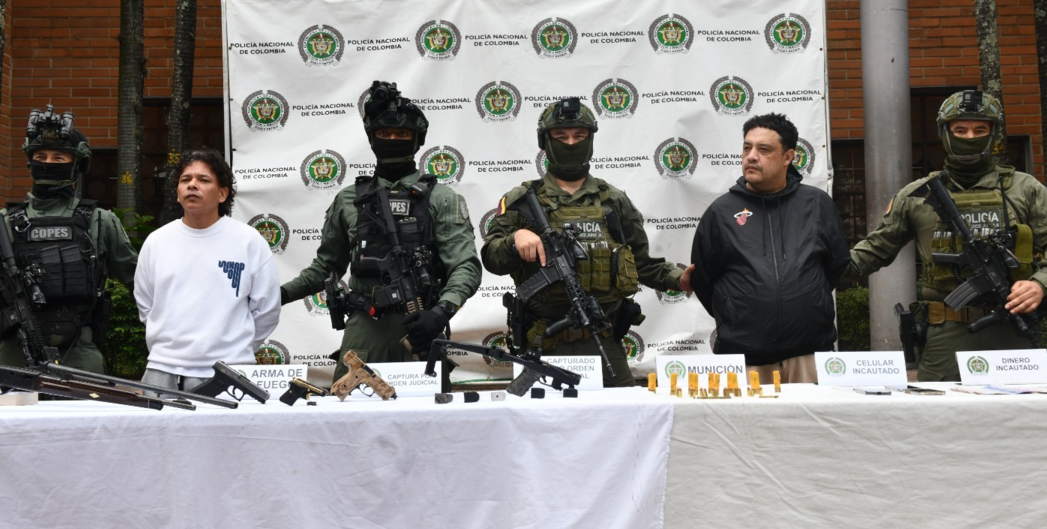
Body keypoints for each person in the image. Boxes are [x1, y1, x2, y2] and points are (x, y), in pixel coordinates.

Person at [846, 90, 1047, 381]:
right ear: (945, 133)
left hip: (1012, 328)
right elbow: (872, 251)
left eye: (980, 130)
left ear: (993, 134)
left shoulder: (1025, 189)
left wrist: (1040, 284)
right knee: (941, 419)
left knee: (1024, 416)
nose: (970, 137)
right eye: (960, 130)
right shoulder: (917, 195)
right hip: (946, 335)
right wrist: (818, 265)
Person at [482, 97, 692, 388]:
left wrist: (679, 279)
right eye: (561, 136)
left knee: (626, 416)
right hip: (544, 341)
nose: (571, 143)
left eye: (579, 136)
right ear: (546, 141)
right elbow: (491, 258)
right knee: (535, 425)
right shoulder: (522, 200)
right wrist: (514, 240)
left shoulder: (613, 200)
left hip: (602, 337)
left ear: (591, 139)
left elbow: (642, 263)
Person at [280, 81, 481, 380]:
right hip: (365, 329)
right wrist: (277, 295)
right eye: (384, 134)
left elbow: (465, 267)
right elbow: (325, 267)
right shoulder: (349, 199)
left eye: (403, 134)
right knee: (348, 415)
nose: (393, 139)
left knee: (428, 419)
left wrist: (439, 313)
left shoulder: (442, 199)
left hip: (420, 328)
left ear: (417, 140)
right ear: (372, 138)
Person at [0, 105, 138, 374]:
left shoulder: (100, 220)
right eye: (40, 156)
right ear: (30, 161)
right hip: (14, 348)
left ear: (76, 163)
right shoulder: (4, 221)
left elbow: (139, 282)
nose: (48, 163)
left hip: (78, 351)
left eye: (59, 157)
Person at [689, 112, 850, 383]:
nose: (751, 156)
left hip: (808, 356)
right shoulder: (721, 212)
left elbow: (834, 267)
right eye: (747, 148)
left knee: (810, 425)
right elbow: (704, 280)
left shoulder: (817, 204)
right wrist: (735, 311)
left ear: (788, 157)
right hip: (744, 359)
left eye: (764, 149)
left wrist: (805, 301)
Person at [134, 149, 281, 390]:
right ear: (178, 193)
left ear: (223, 194)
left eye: (203, 180)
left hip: (229, 371)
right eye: (185, 180)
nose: (192, 185)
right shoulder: (157, 241)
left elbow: (267, 310)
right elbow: (146, 304)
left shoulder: (248, 241)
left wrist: (236, 347)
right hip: (162, 371)